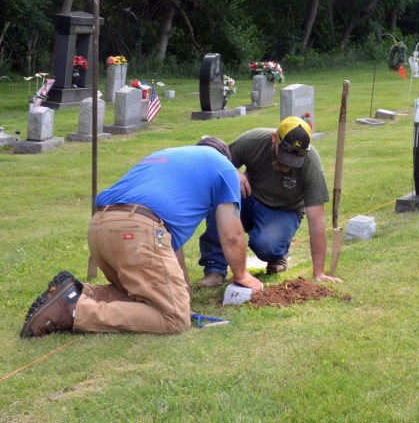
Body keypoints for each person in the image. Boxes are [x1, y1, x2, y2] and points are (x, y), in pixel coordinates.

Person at [20, 137, 262, 337]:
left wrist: (181, 292)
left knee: (138, 294)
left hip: (100, 226)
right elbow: (232, 235)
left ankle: (77, 292)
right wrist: (241, 275)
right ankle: (74, 311)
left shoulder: (168, 156)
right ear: (226, 158)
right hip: (138, 231)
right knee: (175, 319)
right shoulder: (224, 167)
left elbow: (168, 247)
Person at [198, 116, 342, 287]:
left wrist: (319, 272)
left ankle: (277, 255)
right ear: (275, 138)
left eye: (294, 159)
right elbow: (218, 163)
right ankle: (215, 267)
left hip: (284, 210)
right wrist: (234, 171)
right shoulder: (252, 141)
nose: (288, 163)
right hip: (247, 199)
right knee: (221, 196)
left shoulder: (312, 166)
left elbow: (317, 222)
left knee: (267, 246)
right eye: (284, 155)